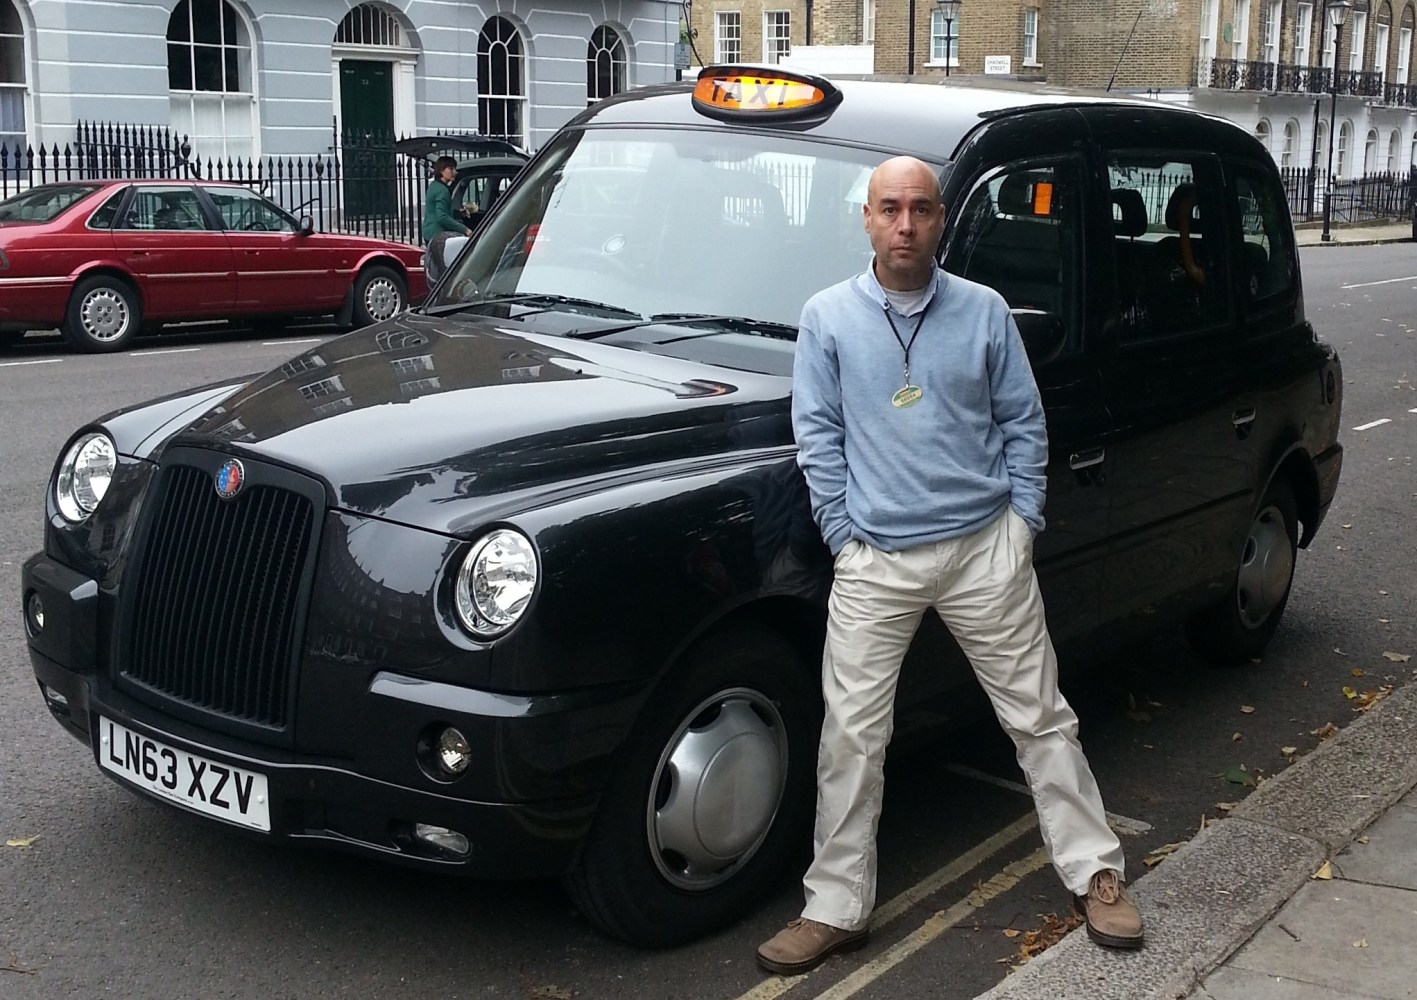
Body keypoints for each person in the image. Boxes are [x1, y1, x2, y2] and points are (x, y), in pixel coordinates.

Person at [756, 156, 1143, 976]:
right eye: (890, 209)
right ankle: (834, 907)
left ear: (941, 221)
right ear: (866, 219)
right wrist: (843, 536)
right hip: (874, 562)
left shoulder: (983, 311)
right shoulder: (826, 318)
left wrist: (1021, 525)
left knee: (1040, 721)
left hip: (982, 553)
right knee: (851, 740)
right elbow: (816, 437)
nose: (905, 225)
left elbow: (1023, 423)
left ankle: (1096, 873)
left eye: (921, 210)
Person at [423, 155, 472, 282]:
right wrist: (465, 229)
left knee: (437, 271)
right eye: (451, 169)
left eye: (454, 169)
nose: (454, 172)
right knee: (445, 273)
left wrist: (457, 213)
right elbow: (442, 217)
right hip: (439, 236)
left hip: (429, 233)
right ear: (441, 171)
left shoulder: (434, 186)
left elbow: (438, 211)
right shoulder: (442, 191)